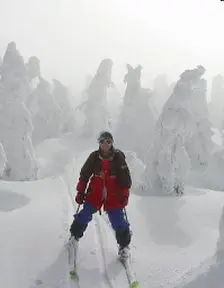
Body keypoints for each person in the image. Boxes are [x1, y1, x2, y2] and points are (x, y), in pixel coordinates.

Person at [69, 130, 132, 258]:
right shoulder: (94, 157)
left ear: (112, 143)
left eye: (108, 141)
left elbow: (125, 180)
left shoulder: (118, 157)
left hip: (113, 196)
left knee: (118, 220)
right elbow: (84, 175)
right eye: (102, 141)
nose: (105, 144)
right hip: (95, 193)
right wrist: (81, 192)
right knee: (84, 214)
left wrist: (124, 196)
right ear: (99, 143)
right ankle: (74, 237)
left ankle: (124, 246)